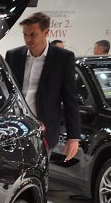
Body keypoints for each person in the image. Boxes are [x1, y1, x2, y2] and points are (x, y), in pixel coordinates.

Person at [5, 12, 80, 162]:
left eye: (32, 34)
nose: (28, 39)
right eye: (25, 34)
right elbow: (7, 90)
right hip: (15, 128)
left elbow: (70, 98)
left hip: (44, 129)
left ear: (46, 32)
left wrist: (73, 137)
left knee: (38, 175)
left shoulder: (63, 58)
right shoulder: (13, 55)